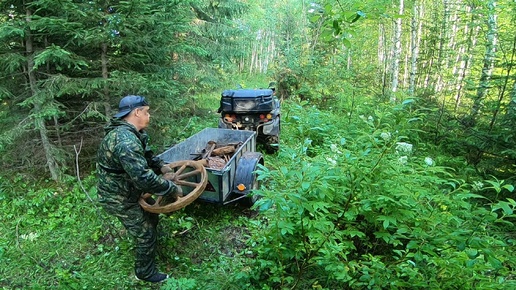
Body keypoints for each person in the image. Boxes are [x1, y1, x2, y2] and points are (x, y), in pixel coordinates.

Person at [96, 95, 177, 283]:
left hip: (128, 189)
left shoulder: (133, 133)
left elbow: (146, 159)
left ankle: (151, 246)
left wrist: (161, 166)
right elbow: (143, 178)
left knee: (151, 216)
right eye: (147, 112)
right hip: (118, 197)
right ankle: (145, 273)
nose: (149, 116)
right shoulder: (126, 142)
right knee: (145, 232)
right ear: (137, 112)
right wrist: (170, 188)